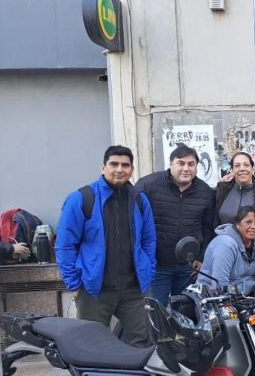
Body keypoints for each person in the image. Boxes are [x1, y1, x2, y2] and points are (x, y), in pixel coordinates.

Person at [55, 146, 156, 347]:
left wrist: (148, 271)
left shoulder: (139, 200)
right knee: (93, 345)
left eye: (125, 165)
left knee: (144, 342)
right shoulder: (82, 198)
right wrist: (74, 282)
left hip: (134, 289)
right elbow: (65, 245)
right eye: (114, 164)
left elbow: (149, 240)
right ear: (103, 167)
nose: (120, 169)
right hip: (95, 289)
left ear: (132, 169)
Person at [135, 144, 216, 305]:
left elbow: (208, 228)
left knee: (186, 312)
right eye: (181, 163)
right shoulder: (148, 186)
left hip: (189, 268)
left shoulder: (205, 192)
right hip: (157, 266)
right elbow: (134, 224)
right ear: (171, 164)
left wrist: (201, 257)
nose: (186, 168)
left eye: (191, 164)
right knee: (156, 313)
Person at [199, 206, 255, 296]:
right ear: (237, 224)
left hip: (242, 295)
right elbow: (220, 286)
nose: (253, 226)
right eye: (248, 222)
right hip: (211, 297)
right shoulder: (225, 245)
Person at [215, 151, 255, 255]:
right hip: (224, 253)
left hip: (254, 255)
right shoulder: (221, 190)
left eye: (246, 165)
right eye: (237, 165)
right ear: (232, 170)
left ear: (252, 169)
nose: (242, 168)